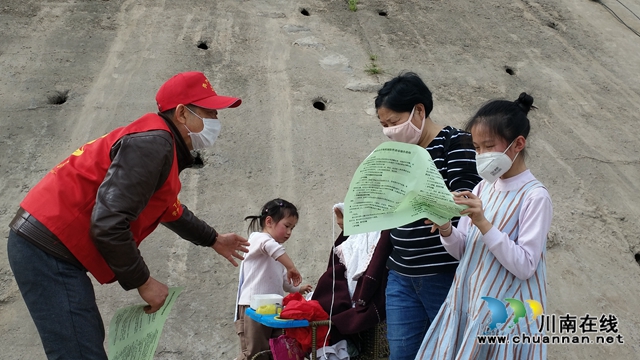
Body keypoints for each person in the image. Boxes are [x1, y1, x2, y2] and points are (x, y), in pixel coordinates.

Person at [6, 71, 251, 360]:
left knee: (83, 344)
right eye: (209, 112)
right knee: (79, 352)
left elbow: (169, 209)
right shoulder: (153, 144)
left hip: (49, 247)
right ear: (183, 113)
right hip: (47, 249)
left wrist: (213, 239)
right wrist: (143, 282)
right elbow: (108, 224)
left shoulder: (159, 144)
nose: (215, 121)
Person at [415, 93, 553, 359]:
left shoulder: (535, 196)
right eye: (477, 148)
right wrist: (445, 227)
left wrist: (483, 223)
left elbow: (525, 265)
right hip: (469, 302)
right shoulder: (483, 187)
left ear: (518, 144)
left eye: (489, 146)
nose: (481, 155)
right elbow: (463, 251)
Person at [372, 72, 482, 360]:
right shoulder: (398, 153)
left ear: (419, 110)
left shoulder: (456, 144)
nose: (389, 131)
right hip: (400, 275)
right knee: (401, 355)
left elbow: (467, 205)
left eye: (394, 123)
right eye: (384, 125)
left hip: (443, 276)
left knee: (449, 353)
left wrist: (435, 205)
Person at [234, 198, 312, 360]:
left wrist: (299, 289)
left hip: (273, 309)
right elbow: (271, 247)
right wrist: (291, 267)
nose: (290, 232)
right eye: (287, 226)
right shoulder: (258, 239)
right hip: (252, 308)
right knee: (255, 351)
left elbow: (284, 281)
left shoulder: (275, 254)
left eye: (293, 228)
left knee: (276, 349)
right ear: (269, 221)